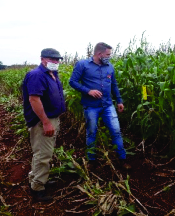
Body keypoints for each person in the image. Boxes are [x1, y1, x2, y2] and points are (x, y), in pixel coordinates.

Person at [69, 42, 131, 170]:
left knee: (116, 132)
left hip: (108, 105)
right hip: (91, 106)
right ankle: (92, 161)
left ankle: (122, 160)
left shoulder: (109, 67)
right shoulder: (83, 65)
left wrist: (119, 101)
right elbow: (73, 82)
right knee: (91, 133)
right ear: (99, 53)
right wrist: (88, 91)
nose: (109, 57)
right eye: (108, 54)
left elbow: (113, 85)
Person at [22, 48, 66, 202]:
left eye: (57, 60)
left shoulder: (52, 74)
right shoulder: (37, 75)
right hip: (42, 121)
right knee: (43, 155)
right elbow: (34, 100)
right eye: (52, 59)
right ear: (42, 59)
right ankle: (38, 189)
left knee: (41, 152)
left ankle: (37, 179)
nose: (56, 62)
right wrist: (46, 122)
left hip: (51, 118)